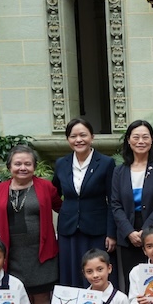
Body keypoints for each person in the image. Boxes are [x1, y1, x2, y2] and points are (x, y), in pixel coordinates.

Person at [0, 145, 62, 304]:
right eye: (18, 163)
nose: (22, 167)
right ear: (9, 167)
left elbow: (61, 207)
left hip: (40, 248)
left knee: (41, 292)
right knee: (22, 292)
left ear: (34, 166)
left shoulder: (46, 187)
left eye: (27, 164)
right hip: (12, 250)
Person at [52, 118, 117, 288]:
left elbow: (113, 200)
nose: (78, 140)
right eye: (73, 136)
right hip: (69, 230)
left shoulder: (106, 163)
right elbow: (53, 194)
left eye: (83, 135)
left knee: (97, 273)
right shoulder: (61, 163)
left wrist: (111, 233)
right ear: (68, 139)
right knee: (71, 273)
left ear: (92, 137)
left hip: (97, 230)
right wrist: (66, 210)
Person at [111, 120, 153, 287]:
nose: (141, 141)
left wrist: (146, 232)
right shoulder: (119, 171)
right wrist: (129, 232)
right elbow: (115, 204)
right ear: (128, 140)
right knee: (133, 283)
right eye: (136, 137)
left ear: (151, 140)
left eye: (145, 137)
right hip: (128, 233)